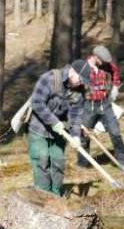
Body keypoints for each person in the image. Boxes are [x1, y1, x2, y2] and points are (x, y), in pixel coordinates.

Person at [28, 59, 89, 195]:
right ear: (72, 72)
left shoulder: (78, 91)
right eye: (80, 79)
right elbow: (37, 103)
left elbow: (75, 115)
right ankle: (43, 196)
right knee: (41, 161)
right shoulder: (49, 79)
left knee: (58, 163)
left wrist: (75, 135)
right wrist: (53, 121)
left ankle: (56, 196)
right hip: (38, 128)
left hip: (59, 133)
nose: (82, 82)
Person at [78, 45, 124, 169]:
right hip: (89, 106)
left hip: (105, 104)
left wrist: (115, 86)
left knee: (115, 132)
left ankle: (123, 160)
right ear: (95, 57)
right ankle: (83, 164)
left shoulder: (107, 65)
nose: (104, 63)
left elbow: (115, 72)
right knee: (84, 136)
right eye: (102, 61)